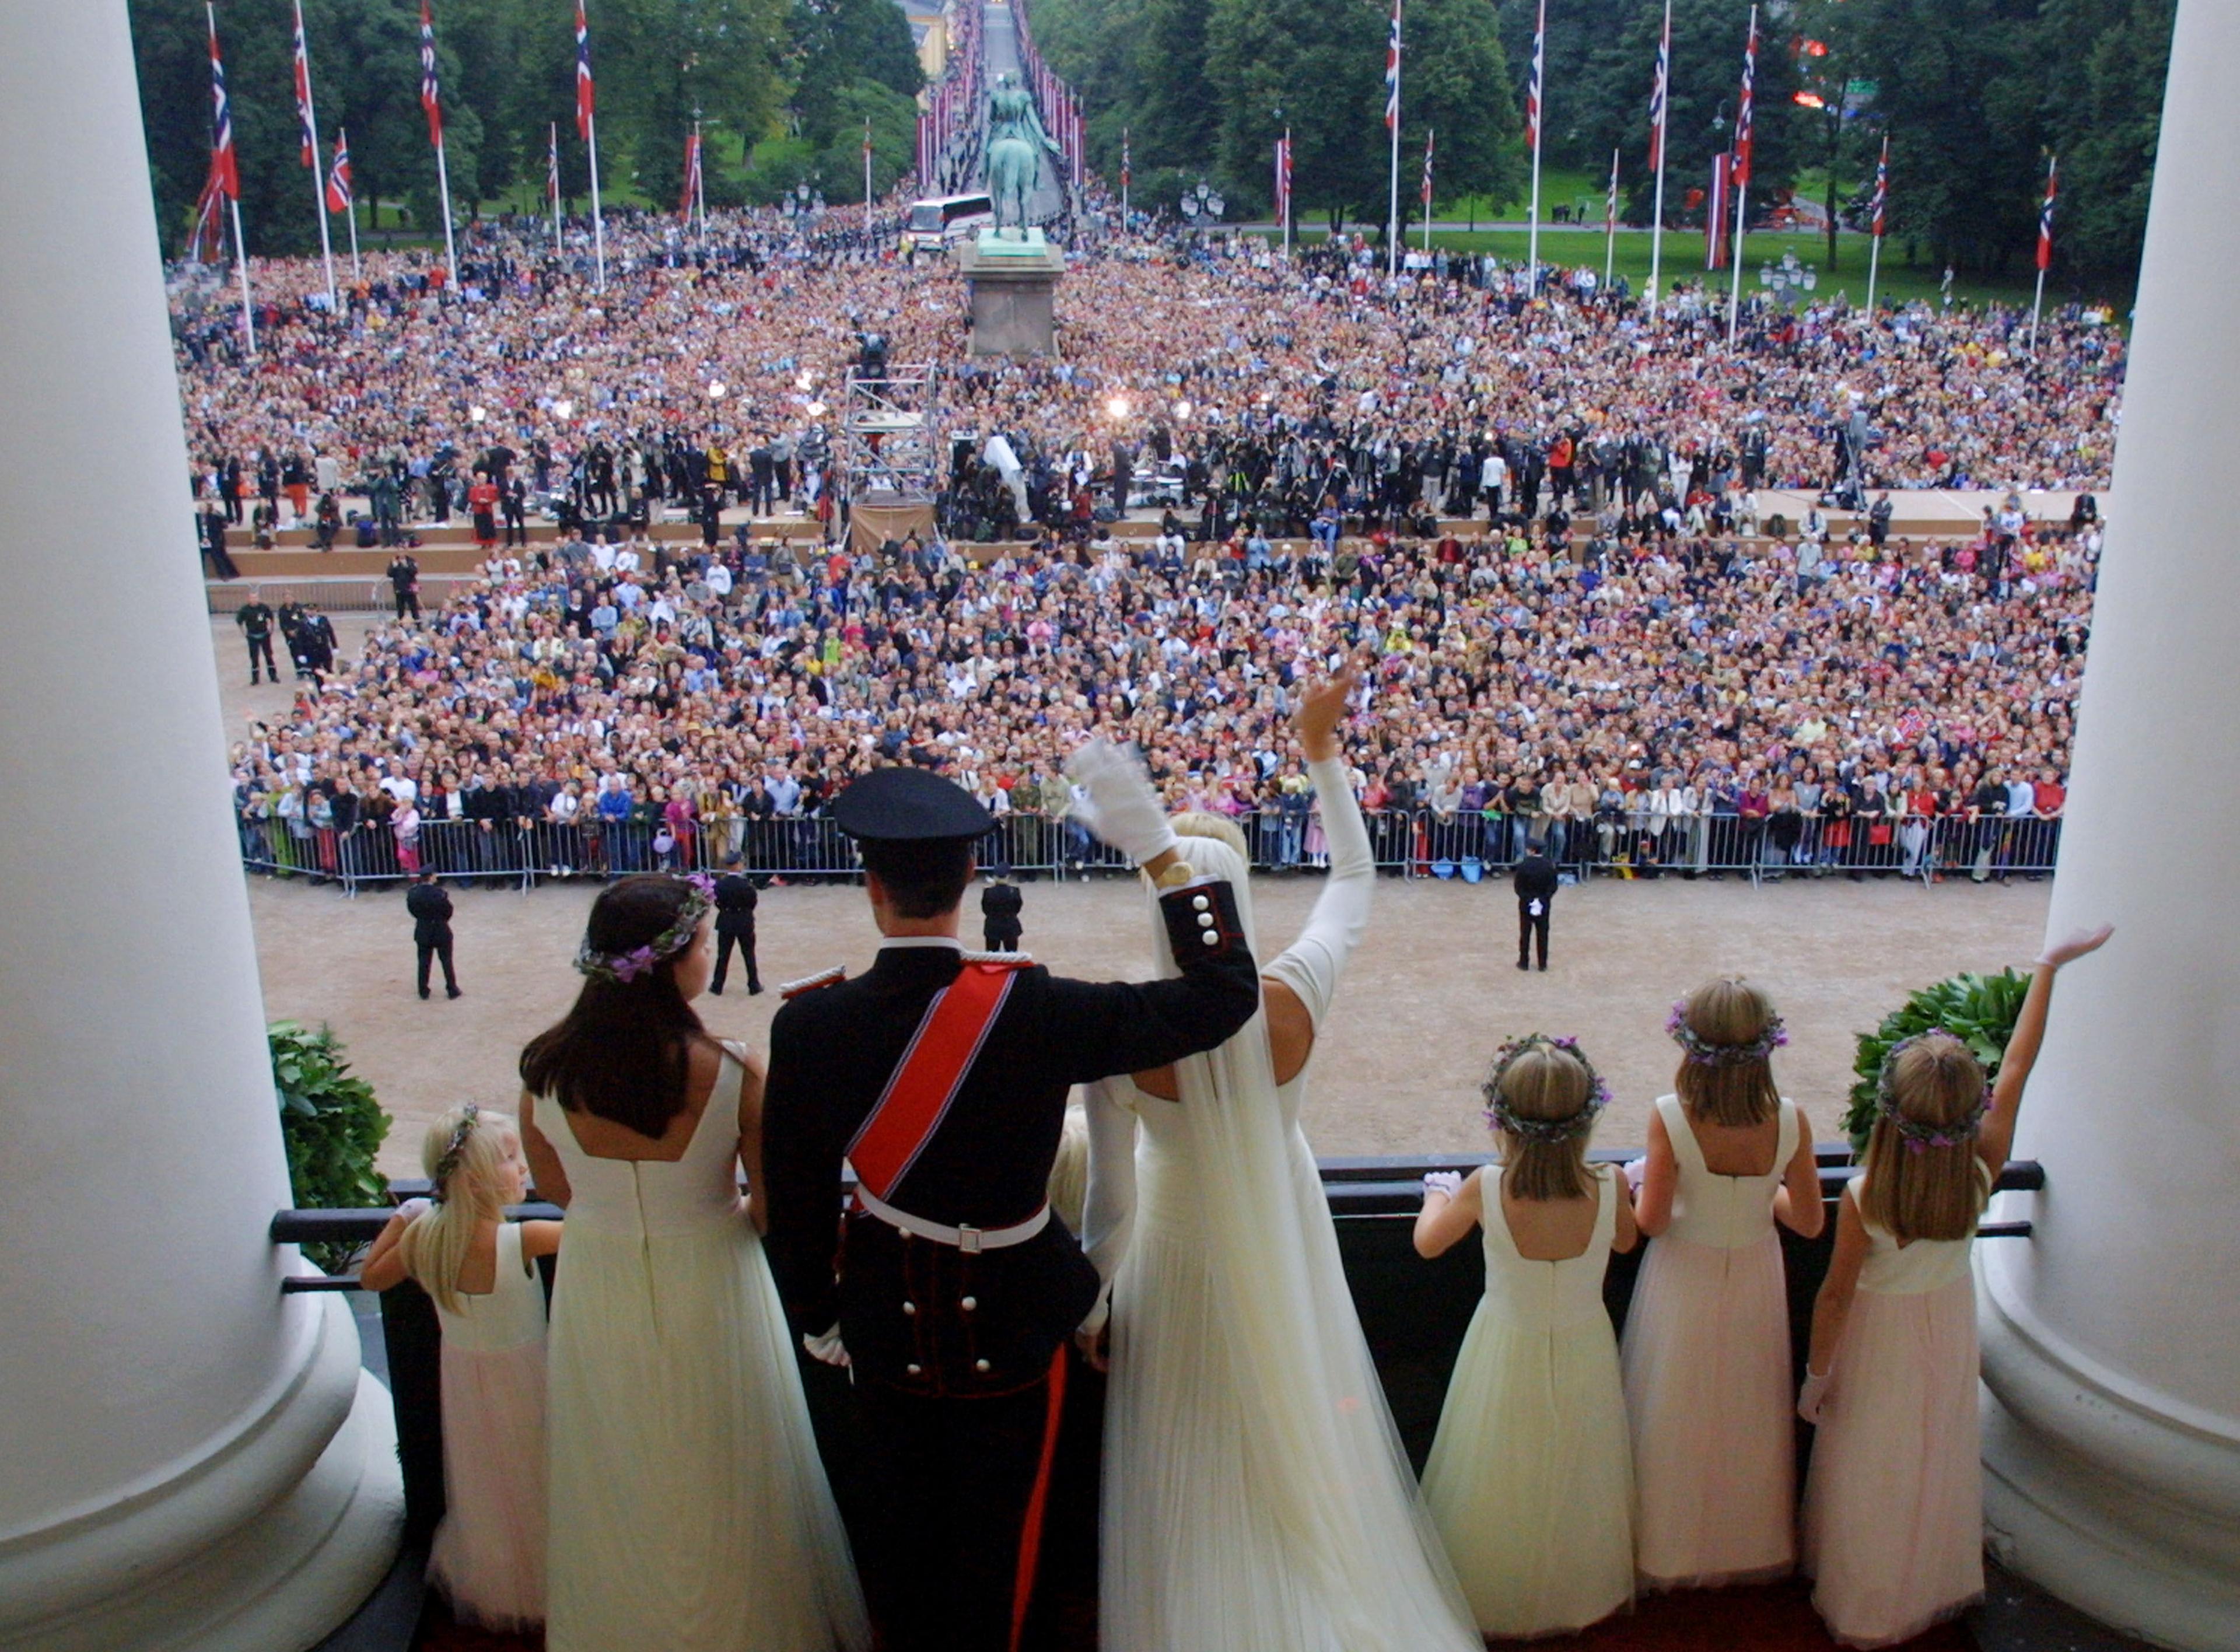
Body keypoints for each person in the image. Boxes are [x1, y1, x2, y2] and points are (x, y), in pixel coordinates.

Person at [759, 758, 1259, 1652]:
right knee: (1004, 1559)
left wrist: (820, 1317)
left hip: (883, 1324)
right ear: (969, 883)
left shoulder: (810, 1025)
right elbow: (1224, 996)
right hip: (1016, 1325)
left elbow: (793, 1201)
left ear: (872, 888)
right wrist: (1163, 863)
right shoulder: (1037, 1007)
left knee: (903, 1553)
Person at [1079, 669, 1482, 1652]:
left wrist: (1094, 1304)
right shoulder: (1294, 990)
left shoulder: (1119, 1031)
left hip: (1177, 1249)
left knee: (1195, 1446)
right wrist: (1319, 752)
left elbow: (1111, 1203)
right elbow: (1354, 877)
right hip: (1284, 1215)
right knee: (1297, 1418)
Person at [517, 875, 870, 1652]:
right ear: (674, 960)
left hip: (600, 1276)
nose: (711, 955)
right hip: (712, 1271)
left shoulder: (543, 1069)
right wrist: (719, 1215)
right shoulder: (735, 1070)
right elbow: (773, 1206)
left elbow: (553, 1187)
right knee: (726, 1462)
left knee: (618, 1461)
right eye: (706, 942)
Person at [1801, 923, 2113, 1647]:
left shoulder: (1866, 1193)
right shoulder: (1981, 1170)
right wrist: (2049, 967)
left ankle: (1861, 1593)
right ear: (1968, 1115)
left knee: (1868, 1463)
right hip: (1946, 1322)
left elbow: (1835, 1296)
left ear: (1891, 1112)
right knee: (1928, 1457)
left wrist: (1817, 1376)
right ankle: (1922, 1579)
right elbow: (2019, 1071)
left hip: (1879, 1338)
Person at [1415, 1035, 1639, 1637]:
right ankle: (1576, 1588)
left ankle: (1492, 1589)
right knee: (1577, 1468)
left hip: (1505, 1346)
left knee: (1497, 1472)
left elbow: (1428, 1243)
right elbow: (1625, 1240)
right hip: (1583, 1343)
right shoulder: (1610, 1183)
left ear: (1501, 1119)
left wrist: (1435, 1193)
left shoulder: (1488, 1186)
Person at [1620, 978, 1823, 1590]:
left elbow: (1651, 1223)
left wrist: (1633, 1186)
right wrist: (1762, 1194)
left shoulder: (1671, 1116)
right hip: (1756, 1275)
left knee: (1671, 1408)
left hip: (1684, 1275)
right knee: (1749, 1411)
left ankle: (1665, 1547)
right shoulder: (1791, 1120)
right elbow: (1811, 1222)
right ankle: (1747, 1543)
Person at [361, 1106, 559, 1632]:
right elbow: (603, 1238)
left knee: (489, 1483)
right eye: (511, 1158)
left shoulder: (424, 1235)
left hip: (465, 1382)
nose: (524, 1169)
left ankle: (503, 1579)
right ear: (474, 1180)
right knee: (540, 1476)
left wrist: (405, 1217)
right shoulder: (527, 1237)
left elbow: (372, 1279)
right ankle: (555, 1580)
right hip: (528, 1379)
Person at [407, 869, 461, 1000]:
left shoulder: (413, 893)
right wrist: (441, 921)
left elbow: (412, 910)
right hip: (440, 929)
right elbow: (448, 911)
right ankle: (452, 989)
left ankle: (423, 990)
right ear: (431, 877)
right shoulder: (439, 894)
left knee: (423, 961)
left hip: (423, 930)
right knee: (447, 961)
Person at [709, 869, 762, 995]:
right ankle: (754, 985)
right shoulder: (746, 885)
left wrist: (725, 910)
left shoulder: (720, 884)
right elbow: (752, 902)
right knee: (749, 955)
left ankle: (717, 985)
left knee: (723, 956)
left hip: (726, 921)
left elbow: (717, 902)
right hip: (744, 921)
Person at [1513, 841, 1557, 971]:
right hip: (1544, 904)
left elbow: (1518, 887)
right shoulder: (1549, 866)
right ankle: (1542, 964)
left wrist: (1529, 899)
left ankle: (1524, 962)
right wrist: (1543, 899)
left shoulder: (1523, 865)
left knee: (1525, 934)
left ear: (1532, 850)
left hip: (1526, 904)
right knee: (1543, 934)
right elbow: (1553, 886)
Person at [235, 598, 278, 685]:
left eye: (255, 599)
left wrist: (271, 629)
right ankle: (255, 679)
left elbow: (271, 618)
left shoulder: (264, 608)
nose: (254, 601)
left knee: (269, 656)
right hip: (252, 637)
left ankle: (273, 677)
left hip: (264, 635)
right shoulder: (245, 610)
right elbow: (239, 622)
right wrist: (244, 633)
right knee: (254, 658)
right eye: (252, 599)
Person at [979, 876, 1023, 951]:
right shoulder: (1015, 891)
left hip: (993, 926)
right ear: (1008, 876)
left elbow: (985, 909)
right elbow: (1017, 908)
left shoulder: (988, 892)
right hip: (1010, 925)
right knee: (1012, 956)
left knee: (992, 957)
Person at [388, 551, 422, 621]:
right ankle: (401, 625)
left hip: (410, 589)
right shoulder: (394, 561)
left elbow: (414, 572)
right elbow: (389, 574)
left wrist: (406, 566)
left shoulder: (411, 561)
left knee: (414, 609)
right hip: (399, 589)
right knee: (400, 610)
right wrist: (394, 567)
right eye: (399, 551)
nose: (401, 553)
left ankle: (418, 624)